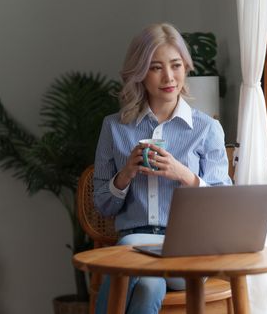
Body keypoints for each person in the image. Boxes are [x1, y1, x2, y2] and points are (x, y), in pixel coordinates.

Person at [93, 22, 232, 314]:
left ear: (185, 67)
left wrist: (183, 174)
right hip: (134, 248)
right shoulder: (114, 127)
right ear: (140, 73)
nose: (169, 77)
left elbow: (223, 206)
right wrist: (126, 174)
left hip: (187, 249)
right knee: (147, 286)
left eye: (176, 65)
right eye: (156, 67)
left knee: (128, 251)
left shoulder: (207, 128)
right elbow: (103, 206)